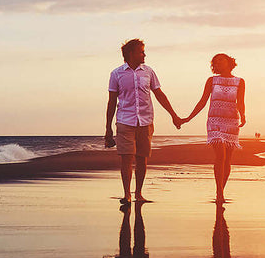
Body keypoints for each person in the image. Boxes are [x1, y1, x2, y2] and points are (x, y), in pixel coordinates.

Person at [104, 39, 181, 203]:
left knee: (142, 158)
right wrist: (108, 129)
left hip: (145, 121)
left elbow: (159, 94)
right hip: (125, 120)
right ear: (131, 53)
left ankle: (138, 193)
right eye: (141, 51)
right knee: (126, 158)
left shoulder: (148, 72)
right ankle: (127, 194)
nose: (144, 54)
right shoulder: (116, 74)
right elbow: (111, 101)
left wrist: (173, 115)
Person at [178, 53, 245, 201]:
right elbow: (202, 101)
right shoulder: (212, 81)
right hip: (214, 121)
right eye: (216, 62)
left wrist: (243, 115)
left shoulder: (239, 81)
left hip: (231, 121)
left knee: (228, 159)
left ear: (229, 62)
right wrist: (188, 118)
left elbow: (240, 102)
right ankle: (219, 192)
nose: (218, 63)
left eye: (221, 60)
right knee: (220, 154)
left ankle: (221, 189)